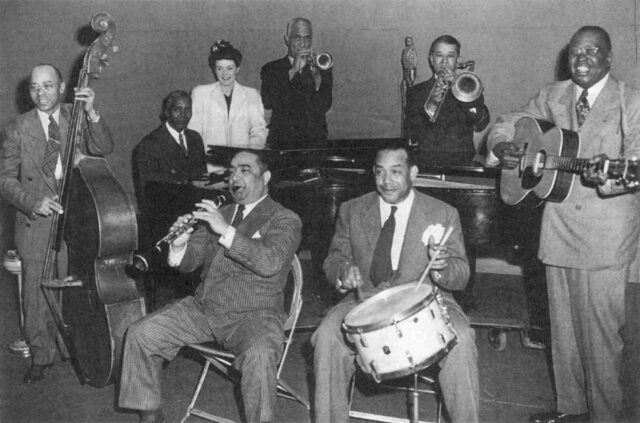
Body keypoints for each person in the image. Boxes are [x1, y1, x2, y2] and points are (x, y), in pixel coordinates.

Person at [487, 26, 640, 423]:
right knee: (564, 333)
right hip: (557, 231)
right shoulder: (553, 95)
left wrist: (609, 176)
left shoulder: (631, 101)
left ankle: (606, 416)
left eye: (592, 51)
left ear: (609, 58)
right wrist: (502, 145)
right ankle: (571, 411)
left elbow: (637, 161)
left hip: (606, 236)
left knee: (601, 339)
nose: (582, 58)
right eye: (575, 51)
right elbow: (508, 121)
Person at [118, 149, 302, 423]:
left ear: (266, 178)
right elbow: (191, 262)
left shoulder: (284, 218)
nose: (235, 177)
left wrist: (225, 230)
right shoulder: (222, 212)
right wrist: (179, 245)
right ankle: (150, 415)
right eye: (232, 171)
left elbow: (270, 262)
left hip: (255, 316)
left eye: (245, 170)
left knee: (260, 355)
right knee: (141, 333)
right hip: (205, 308)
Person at [311, 143, 479, 423]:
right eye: (380, 172)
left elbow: (461, 275)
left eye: (395, 172)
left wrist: (441, 268)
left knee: (462, 342)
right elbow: (334, 259)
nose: (386, 181)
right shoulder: (352, 210)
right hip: (365, 299)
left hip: (427, 301)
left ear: (413, 173)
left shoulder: (442, 213)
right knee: (327, 336)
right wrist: (343, 271)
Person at [0, 64, 113, 383]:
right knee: (36, 294)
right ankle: (41, 355)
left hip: (76, 219)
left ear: (62, 88)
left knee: (72, 289)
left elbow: (104, 147)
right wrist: (32, 202)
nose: (40, 93)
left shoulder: (74, 115)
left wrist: (91, 112)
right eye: (34, 87)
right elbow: (5, 179)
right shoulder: (17, 128)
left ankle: (72, 349)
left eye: (48, 86)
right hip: (35, 222)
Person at [132, 90, 208, 302]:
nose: (183, 115)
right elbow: (149, 195)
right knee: (166, 292)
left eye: (187, 110)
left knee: (192, 285)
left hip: (193, 223)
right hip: (164, 225)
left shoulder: (195, 139)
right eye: (177, 110)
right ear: (166, 112)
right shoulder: (149, 145)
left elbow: (201, 180)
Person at [404, 35, 490, 166]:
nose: (444, 61)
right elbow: (412, 134)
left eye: (450, 56)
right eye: (439, 55)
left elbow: (481, 123)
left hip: (463, 164)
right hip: (428, 162)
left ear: (457, 60)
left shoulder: (470, 88)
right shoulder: (416, 92)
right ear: (431, 59)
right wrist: (430, 107)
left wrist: (460, 89)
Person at [189, 39, 268, 168]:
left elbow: (259, 130)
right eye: (219, 68)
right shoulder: (200, 93)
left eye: (230, 68)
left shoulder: (251, 95)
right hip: (209, 166)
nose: (225, 74)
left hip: (242, 166)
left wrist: (248, 154)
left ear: (237, 69)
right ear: (214, 69)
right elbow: (193, 134)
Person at [260, 17, 333, 149]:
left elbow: (325, 105)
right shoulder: (271, 69)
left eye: (307, 38)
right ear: (287, 39)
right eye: (297, 38)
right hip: (282, 141)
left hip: (315, 142)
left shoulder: (321, 67)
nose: (303, 44)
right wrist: (293, 71)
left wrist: (317, 76)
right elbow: (269, 102)